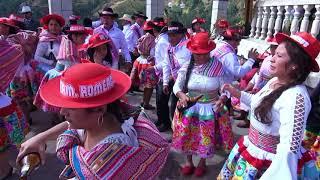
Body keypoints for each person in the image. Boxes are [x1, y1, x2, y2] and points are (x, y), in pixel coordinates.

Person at [16, 63, 170, 179]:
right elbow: (72, 126)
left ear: (100, 109)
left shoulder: (106, 163)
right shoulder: (106, 119)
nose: (62, 112)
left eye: (71, 108)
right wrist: (39, 138)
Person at [218, 32, 320, 179]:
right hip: (252, 151)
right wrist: (236, 92)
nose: (271, 59)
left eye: (278, 56)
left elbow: (289, 148)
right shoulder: (275, 81)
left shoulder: (296, 97)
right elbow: (258, 103)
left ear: (294, 66)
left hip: (269, 165)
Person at [172, 32, 233, 177]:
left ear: (210, 51)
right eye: (197, 54)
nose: (200, 57)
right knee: (188, 136)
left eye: (204, 53)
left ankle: (202, 163)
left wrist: (222, 99)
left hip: (210, 108)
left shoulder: (217, 67)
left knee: (205, 137)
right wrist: (181, 95)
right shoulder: (187, 67)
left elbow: (225, 88)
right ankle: (188, 161)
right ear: (192, 52)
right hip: (190, 107)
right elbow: (177, 86)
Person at [33, 24, 90, 120]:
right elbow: (70, 67)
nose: (84, 39)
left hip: (63, 73)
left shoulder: (71, 44)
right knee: (61, 101)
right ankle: (61, 120)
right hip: (62, 76)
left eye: (84, 36)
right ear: (74, 36)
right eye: (82, 36)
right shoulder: (69, 49)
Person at [0, 39, 27, 179]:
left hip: (3, 107)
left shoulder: (7, 49)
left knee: (10, 143)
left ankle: (22, 164)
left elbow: (16, 51)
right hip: (4, 106)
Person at [160, 21, 192, 131]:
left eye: (174, 35)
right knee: (173, 107)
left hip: (189, 84)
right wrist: (165, 82)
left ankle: (184, 134)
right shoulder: (169, 48)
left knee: (186, 110)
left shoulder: (189, 46)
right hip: (176, 83)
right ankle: (177, 132)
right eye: (169, 35)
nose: (170, 38)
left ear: (182, 34)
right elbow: (166, 64)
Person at [130, 21, 157, 110]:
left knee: (144, 84)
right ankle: (146, 103)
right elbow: (152, 53)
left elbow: (136, 49)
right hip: (148, 63)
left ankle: (143, 101)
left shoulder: (142, 38)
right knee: (149, 85)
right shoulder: (153, 39)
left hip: (139, 61)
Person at [33, 14, 65, 84]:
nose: (53, 27)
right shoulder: (44, 40)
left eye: (56, 25)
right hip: (51, 71)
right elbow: (37, 57)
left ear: (60, 27)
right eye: (51, 24)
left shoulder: (63, 38)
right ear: (48, 26)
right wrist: (52, 63)